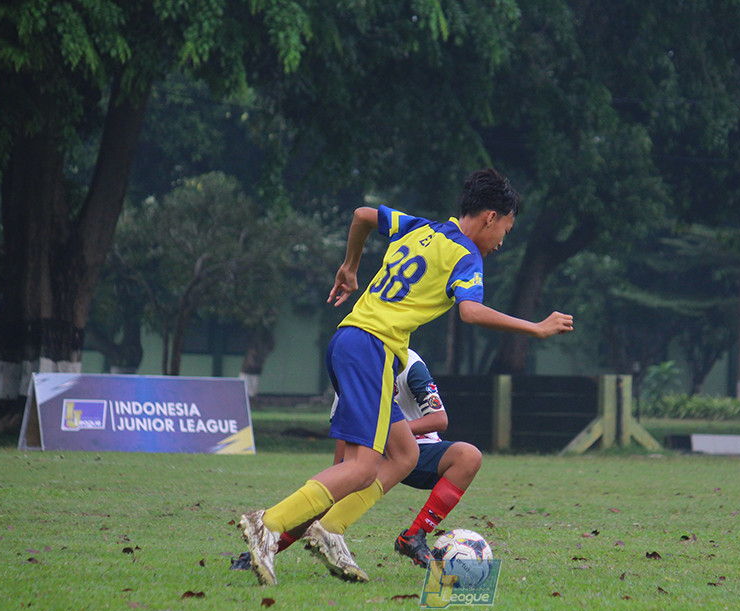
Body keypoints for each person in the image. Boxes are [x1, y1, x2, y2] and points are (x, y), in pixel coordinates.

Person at [239, 168, 573, 586]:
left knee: (403, 455)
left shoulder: (420, 228)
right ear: (490, 217)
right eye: (506, 228)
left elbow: (362, 215)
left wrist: (349, 267)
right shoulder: (466, 255)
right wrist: (536, 328)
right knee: (362, 468)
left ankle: (331, 529)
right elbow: (470, 312)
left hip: (354, 339)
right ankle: (267, 524)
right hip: (371, 348)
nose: (502, 241)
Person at [231, 348, 482, 581]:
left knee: (468, 456)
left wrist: (392, 435)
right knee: (326, 500)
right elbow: (341, 456)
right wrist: (337, 483)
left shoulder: (410, 365)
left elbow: (439, 419)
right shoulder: (353, 380)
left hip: (419, 449)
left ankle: (413, 536)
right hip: (372, 456)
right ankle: (264, 548)